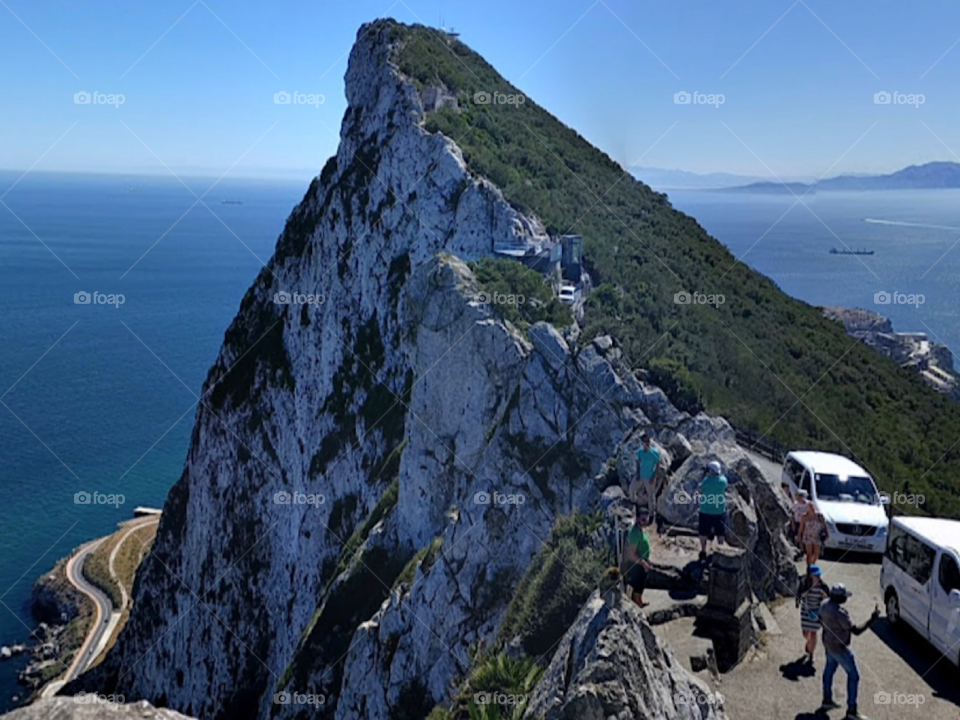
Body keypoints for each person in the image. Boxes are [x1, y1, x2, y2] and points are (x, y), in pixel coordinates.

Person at [819, 583, 879, 719]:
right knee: (854, 676)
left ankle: (826, 700)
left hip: (828, 644)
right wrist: (872, 619)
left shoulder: (824, 604)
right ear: (839, 598)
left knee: (828, 671)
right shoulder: (840, 613)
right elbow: (856, 630)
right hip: (841, 649)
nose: (846, 599)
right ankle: (852, 710)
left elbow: (820, 620)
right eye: (844, 597)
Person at [630, 433, 663, 530]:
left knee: (651, 496)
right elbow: (638, 462)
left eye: (647, 442)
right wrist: (637, 474)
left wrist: (654, 476)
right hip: (640, 476)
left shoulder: (654, 452)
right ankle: (634, 503)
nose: (646, 444)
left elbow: (657, 465)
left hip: (649, 477)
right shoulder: (640, 452)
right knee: (632, 489)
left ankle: (652, 514)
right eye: (644, 443)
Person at [621, 507, 652, 608]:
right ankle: (637, 605)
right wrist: (643, 563)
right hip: (636, 565)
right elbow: (631, 554)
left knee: (640, 586)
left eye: (647, 520)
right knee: (637, 587)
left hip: (641, 564)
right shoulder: (634, 534)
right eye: (643, 520)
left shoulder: (641, 530)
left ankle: (639, 602)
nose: (645, 522)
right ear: (637, 519)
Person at [796, 564, 827, 664]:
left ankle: (811, 653)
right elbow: (798, 596)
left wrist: (825, 598)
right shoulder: (804, 584)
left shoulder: (822, 586)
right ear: (810, 576)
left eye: (818, 575)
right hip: (805, 612)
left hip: (817, 612)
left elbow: (829, 599)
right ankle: (809, 643)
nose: (817, 577)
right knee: (805, 633)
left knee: (813, 633)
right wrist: (801, 596)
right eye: (815, 575)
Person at [697, 460, 728, 562]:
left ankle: (703, 551)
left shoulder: (706, 481)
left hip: (705, 511)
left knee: (703, 532)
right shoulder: (723, 481)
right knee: (720, 533)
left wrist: (704, 476)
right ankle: (720, 551)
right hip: (719, 511)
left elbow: (699, 489)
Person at [797, 501, 829, 567]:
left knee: (816, 553)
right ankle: (809, 567)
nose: (812, 508)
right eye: (810, 507)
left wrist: (827, 534)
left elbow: (825, 526)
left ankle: (813, 564)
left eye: (812, 506)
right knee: (809, 553)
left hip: (817, 536)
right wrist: (799, 536)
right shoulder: (804, 517)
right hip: (808, 536)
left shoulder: (819, 516)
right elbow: (801, 527)